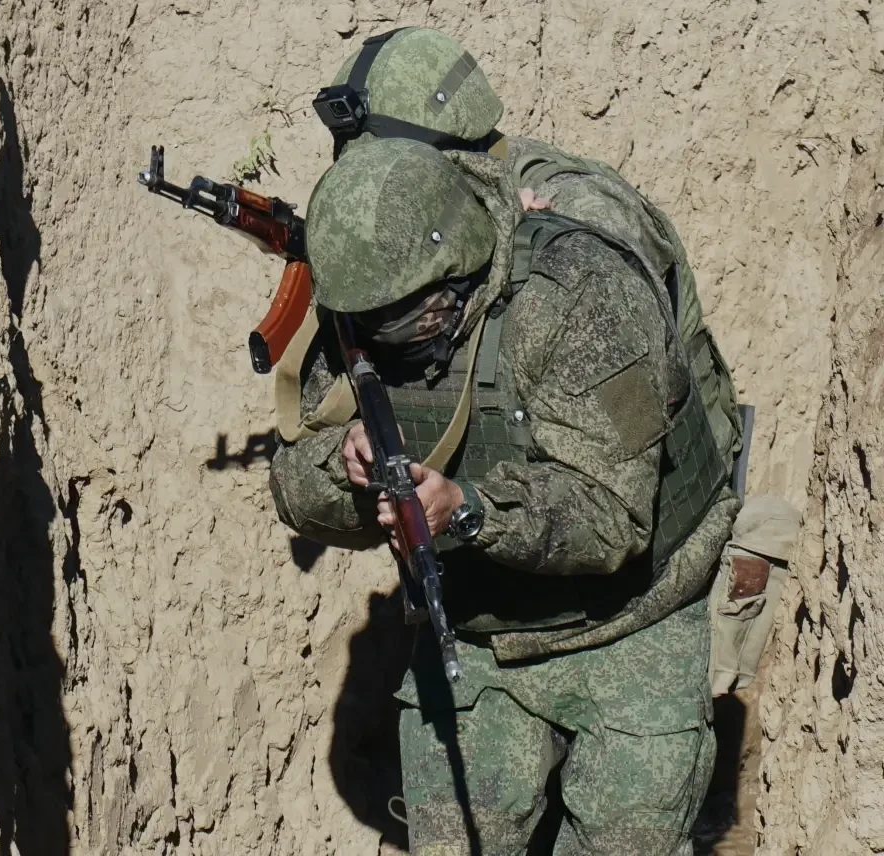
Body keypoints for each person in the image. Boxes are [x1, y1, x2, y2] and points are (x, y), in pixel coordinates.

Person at [269, 136, 740, 854]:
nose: (389, 340)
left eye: (406, 320)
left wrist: (468, 512)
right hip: (475, 627)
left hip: (633, 618)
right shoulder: (359, 306)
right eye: (374, 323)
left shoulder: (578, 294)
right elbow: (292, 486)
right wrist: (345, 463)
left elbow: (613, 516)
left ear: (455, 269)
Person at [307, 26, 743, 468]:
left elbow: (618, 361)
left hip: (646, 473)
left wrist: (497, 223)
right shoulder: (429, 215)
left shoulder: (583, 205)